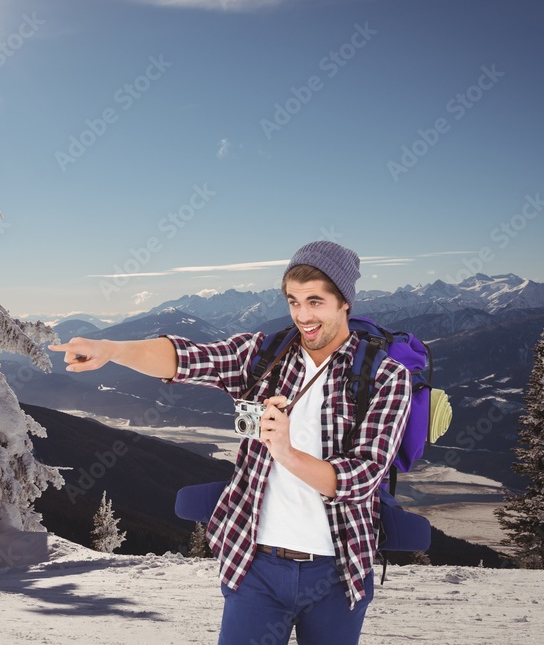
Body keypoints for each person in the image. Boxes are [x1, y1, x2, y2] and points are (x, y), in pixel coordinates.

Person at [49, 241, 411, 645]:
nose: (303, 316)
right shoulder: (265, 356)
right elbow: (188, 358)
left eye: (315, 302)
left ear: (344, 302)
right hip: (255, 564)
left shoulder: (385, 376)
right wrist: (113, 350)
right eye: (293, 301)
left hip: (337, 570)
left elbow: (360, 477)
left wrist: (286, 452)